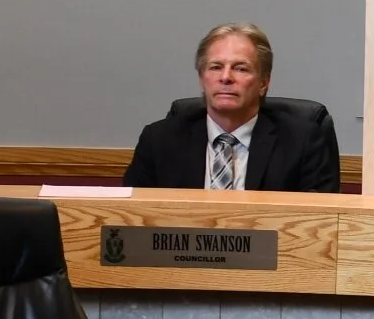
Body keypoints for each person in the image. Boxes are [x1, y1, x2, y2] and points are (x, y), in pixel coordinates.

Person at [122, 23, 341, 193]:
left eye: (240, 68)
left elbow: (320, 222)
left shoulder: (302, 142)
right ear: (202, 79)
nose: (226, 77)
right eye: (215, 67)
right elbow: (132, 220)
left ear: (263, 83)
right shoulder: (159, 140)